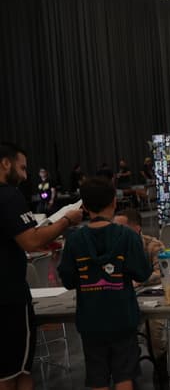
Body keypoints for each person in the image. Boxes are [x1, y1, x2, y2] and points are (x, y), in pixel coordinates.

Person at [0, 142, 83, 390]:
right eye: (22, 168)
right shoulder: (8, 196)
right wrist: (66, 220)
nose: (25, 176)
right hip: (8, 299)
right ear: (6, 163)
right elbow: (31, 240)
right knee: (17, 371)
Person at [58, 177, 151, 390]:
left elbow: (68, 280)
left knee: (96, 377)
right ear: (114, 202)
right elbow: (142, 273)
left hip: (90, 320)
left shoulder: (74, 240)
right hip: (122, 318)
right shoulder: (128, 236)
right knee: (124, 376)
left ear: (84, 206)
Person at [113, 208, 169, 389]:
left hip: (152, 298)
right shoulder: (113, 247)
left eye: (121, 227)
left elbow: (161, 271)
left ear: (136, 228)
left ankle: (161, 373)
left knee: (154, 331)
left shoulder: (153, 245)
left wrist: (139, 280)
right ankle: (128, 373)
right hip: (123, 300)